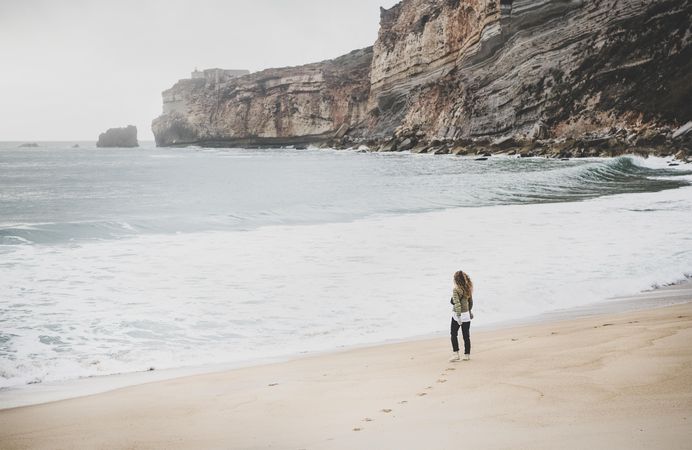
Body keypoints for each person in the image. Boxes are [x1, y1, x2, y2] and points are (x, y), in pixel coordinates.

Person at [449, 270, 473, 362]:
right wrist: (469, 312)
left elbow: (457, 303)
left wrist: (458, 316)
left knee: (453, 334)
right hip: (466, 315)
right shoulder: (468, 288)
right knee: (466, 336)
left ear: (456, 280)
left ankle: (456, 354)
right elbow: (470, 303)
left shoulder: (456, 289)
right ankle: (467, 355)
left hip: (457, 315)